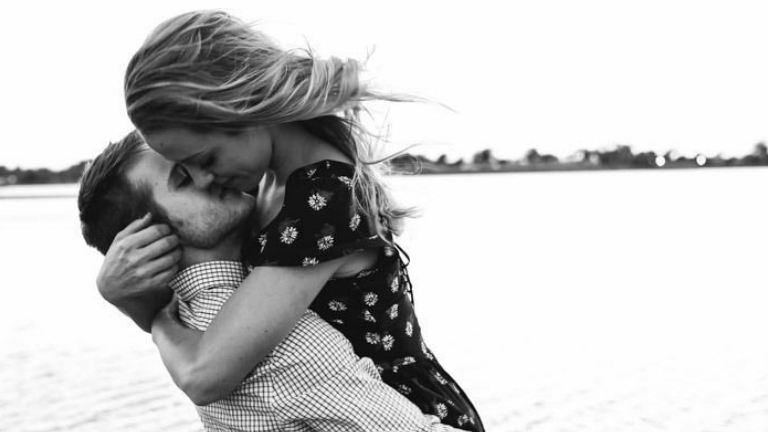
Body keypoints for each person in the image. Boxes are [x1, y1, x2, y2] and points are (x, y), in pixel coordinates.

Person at [100, 10, 483, 430]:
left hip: (404, 413)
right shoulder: (268, 184)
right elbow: (223, 337)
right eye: (185, 172)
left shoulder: (323, 201)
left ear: (243, 108)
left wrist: (151, 315)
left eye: (205, 160)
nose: (204, 180)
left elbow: (204, 374)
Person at [79, 130, 463, 431]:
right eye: (183, 178)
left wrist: (141, 308)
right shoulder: (281, 345)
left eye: (196, 159)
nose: (206, 174)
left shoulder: (193, 316)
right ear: (148, 239)